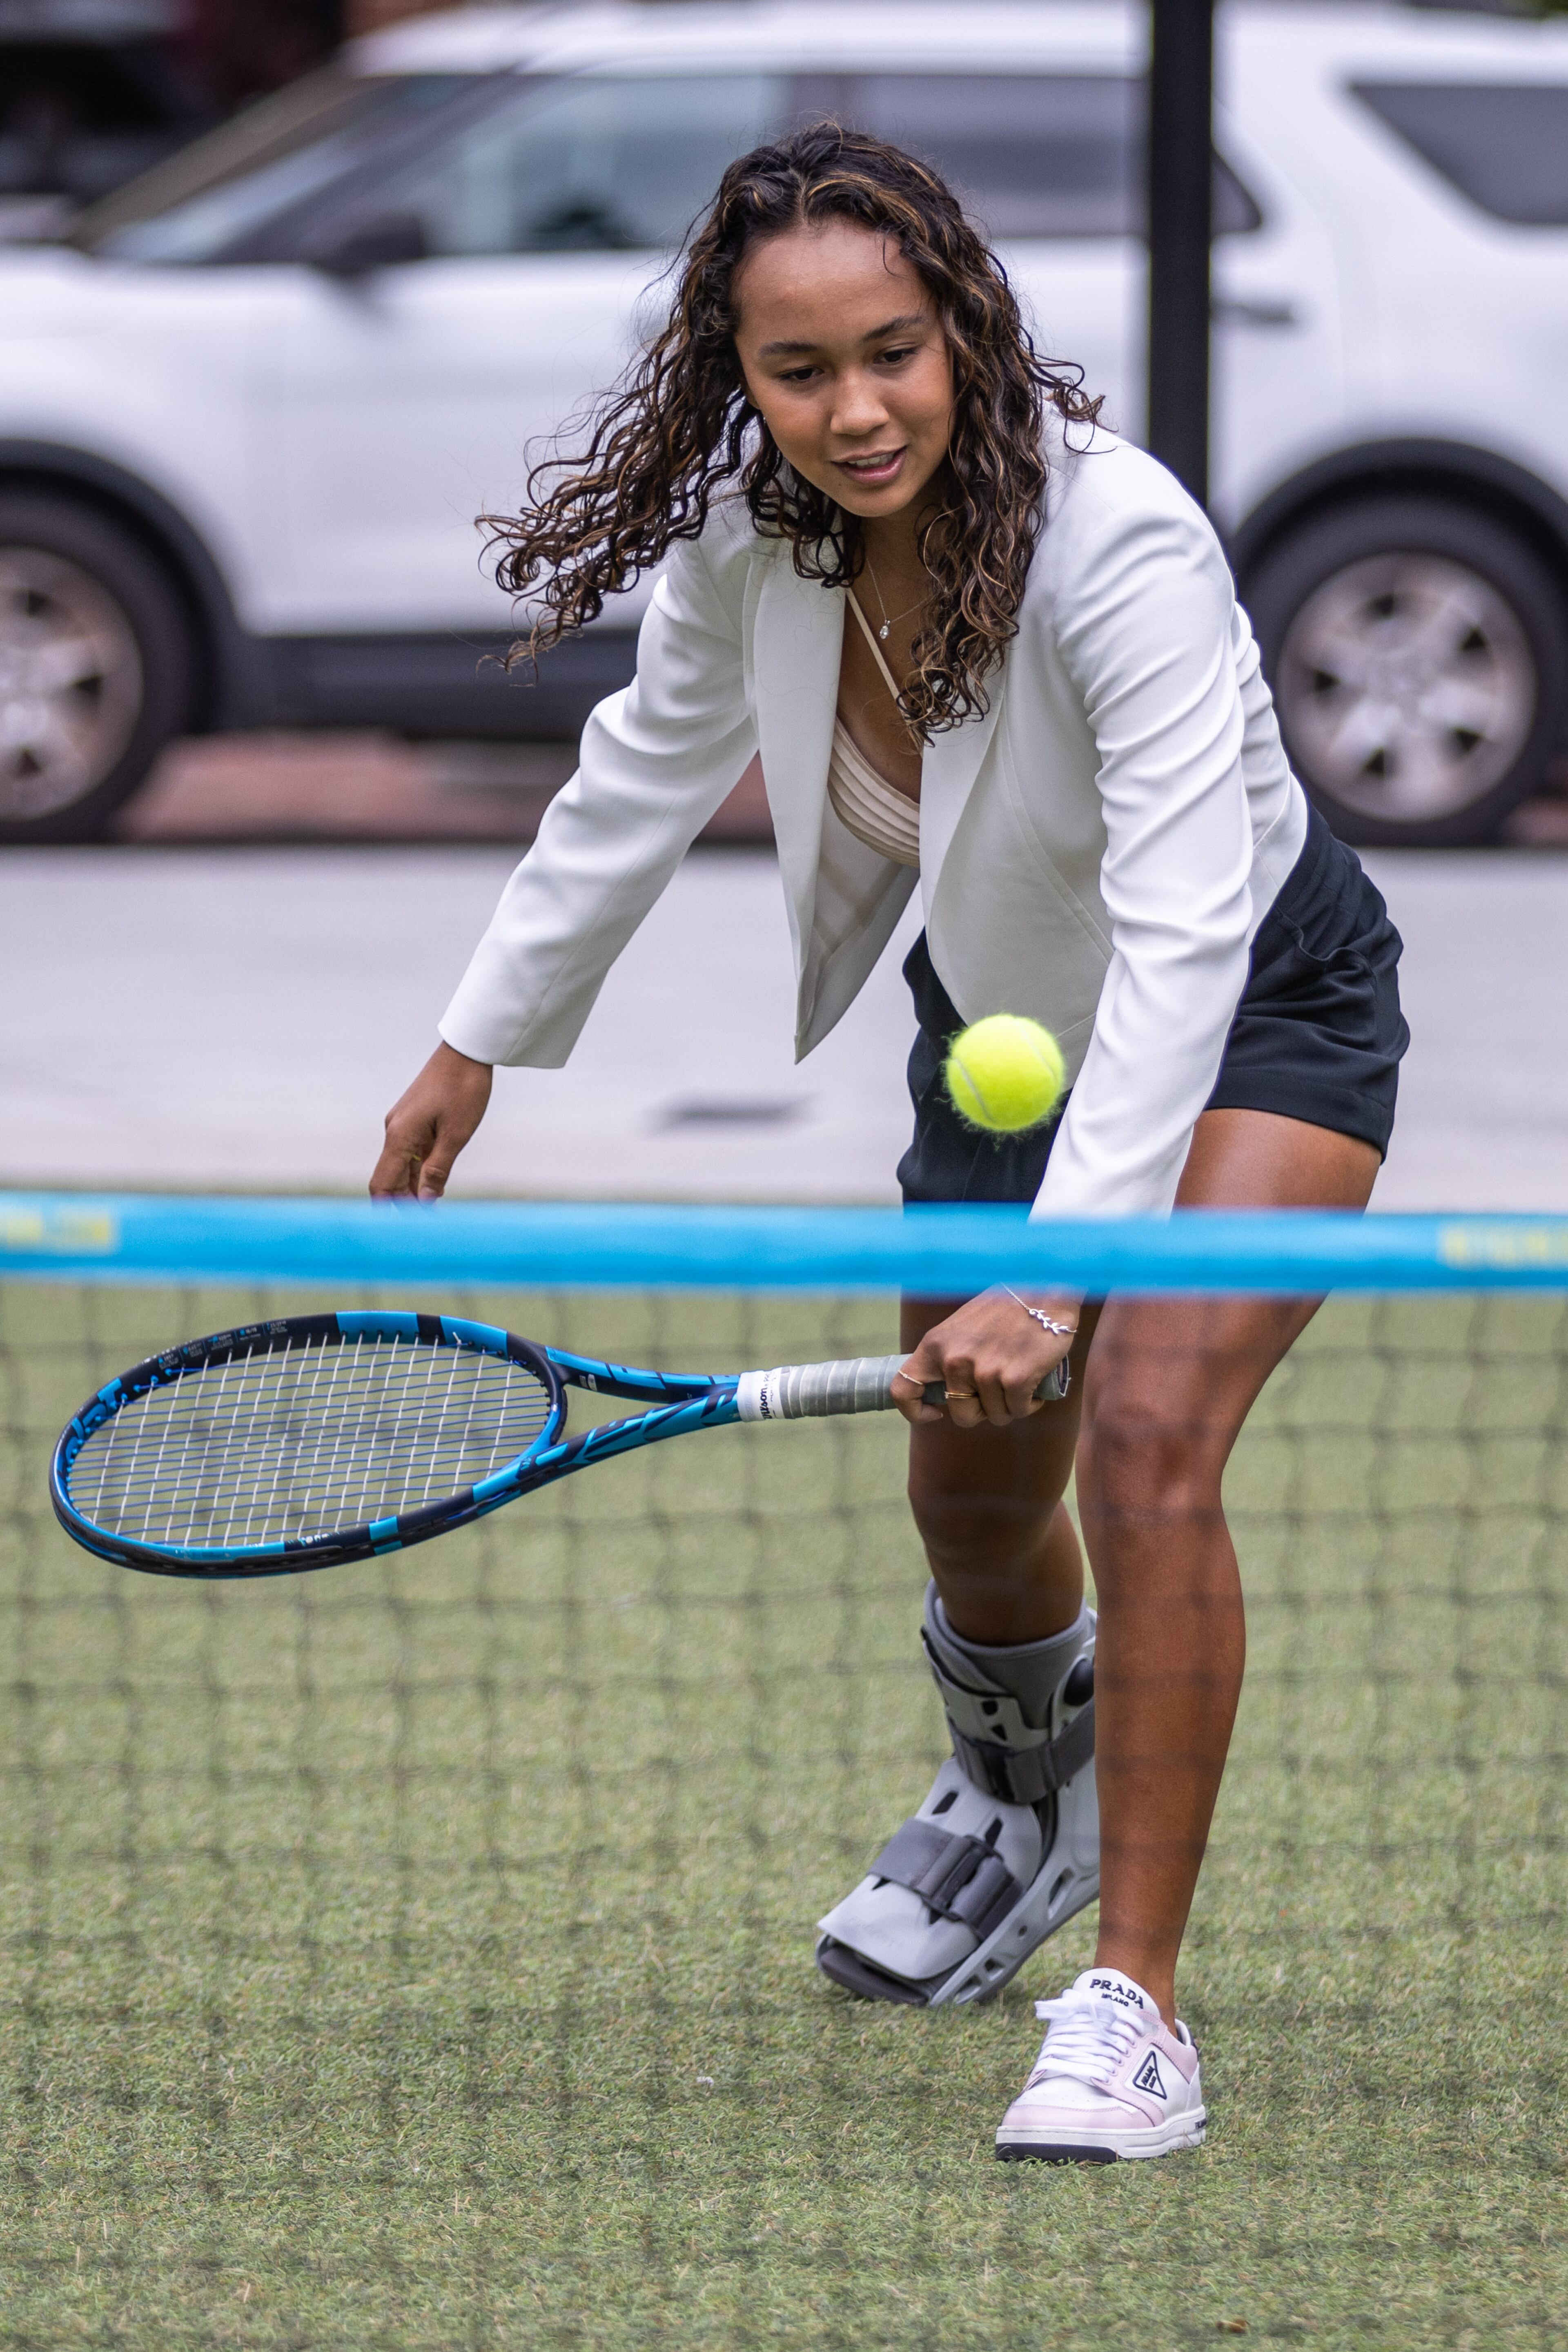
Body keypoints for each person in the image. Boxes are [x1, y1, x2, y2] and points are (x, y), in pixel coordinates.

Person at [370, 124, 1406, 2164]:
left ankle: (1137, 2012)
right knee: (971, 1489)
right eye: (799, 367)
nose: (855, 409)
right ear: (732, 376)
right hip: (1001, 1028)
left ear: (967, 331)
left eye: (895, 352)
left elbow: (1193, 932)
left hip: (1259, 1010)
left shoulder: (1121, 542)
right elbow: (636, 775)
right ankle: (1017, 1808)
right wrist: (476, 1039)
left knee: (1144, 1440)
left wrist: (1062, 1275)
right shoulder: (760, 552)